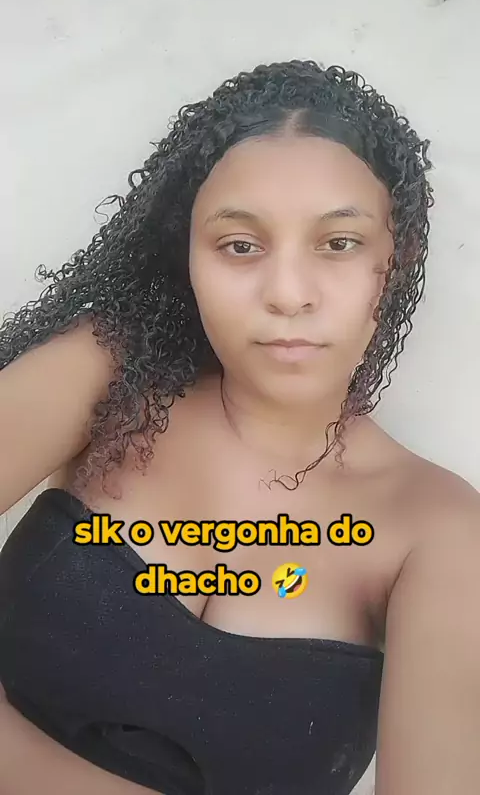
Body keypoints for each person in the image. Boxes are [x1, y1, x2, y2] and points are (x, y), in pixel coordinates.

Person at [0, 58, 479, 795]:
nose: (287, 293)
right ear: (187, 255)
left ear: (398, 257)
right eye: (240, 246)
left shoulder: (440, 530)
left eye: (339, 243)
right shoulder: (111, 371)